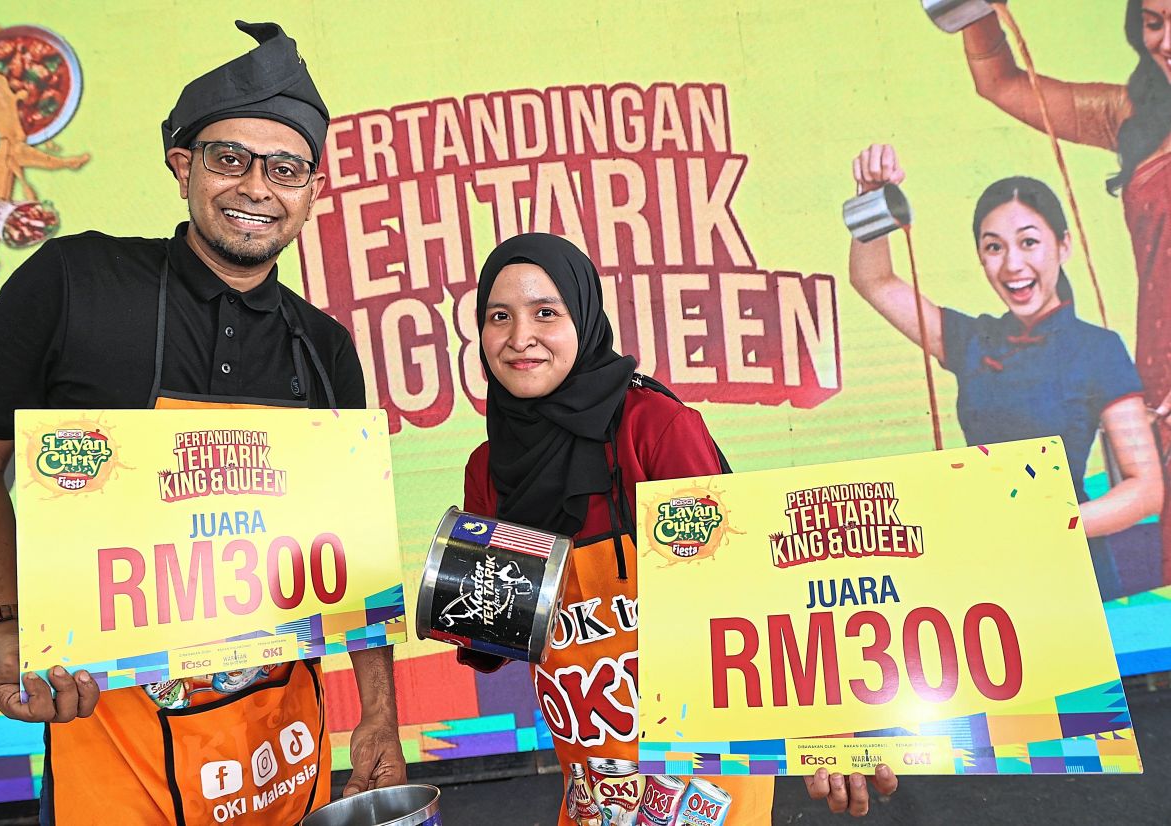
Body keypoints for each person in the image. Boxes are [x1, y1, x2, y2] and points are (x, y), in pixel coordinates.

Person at [0, 21, 404, 823]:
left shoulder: (326, 349)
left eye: (285, 169)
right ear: (183, 165)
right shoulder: (73, 282)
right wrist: (4, 624)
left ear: (311, 190)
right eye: (230, 159)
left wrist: (381, 713)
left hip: (275, 749)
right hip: (103, 733)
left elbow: (353, 563)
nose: (257, 187)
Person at [457, 232, 899, 823]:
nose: (519, 338)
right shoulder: (489, 469)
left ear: (584, 319)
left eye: (546, 313)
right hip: (597, 791)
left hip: (705, 786)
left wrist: (830, 720)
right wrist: (459, 597)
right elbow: (494, 638)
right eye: (498, 317)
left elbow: (747, 592)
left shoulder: (654, 428)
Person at [849, 144, 1164, 598]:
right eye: (994, 247)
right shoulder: (970, 340)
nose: (1012, 264)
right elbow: (874, 282)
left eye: (1029, 242)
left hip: (1069, 566)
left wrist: (1058, 523)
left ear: (1063, 246)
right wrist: (870, 197)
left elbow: (1146, 487)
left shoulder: (1097, 349)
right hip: (986, 565)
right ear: (981, 258)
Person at [959, 0, 1171, 583]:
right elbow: (1000, 83)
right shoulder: (1132, 118)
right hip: (1162, 385)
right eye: (1154, 23)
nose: (1166, 41)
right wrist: (978, 10)